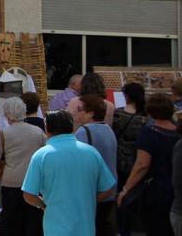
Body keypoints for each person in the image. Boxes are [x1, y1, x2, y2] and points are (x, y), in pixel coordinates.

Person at [22, 110, 115, 236]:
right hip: (86, 228)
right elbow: (108, 188)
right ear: (71, 127)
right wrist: (88, 200)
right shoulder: (91, 152)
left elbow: (28, 195)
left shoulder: (41, 155)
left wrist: (43, 205)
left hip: (55, 228)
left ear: (47, 129)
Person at [117, 93, 180, 236]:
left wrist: (126, 188)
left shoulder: (149, 132)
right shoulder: (177, 132)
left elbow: (142, 164)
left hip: (155, 190)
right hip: (174, 188)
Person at [0, 97, 46, 236]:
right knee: (32, 220)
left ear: (8, 114)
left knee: (10, 221)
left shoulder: (3, 134)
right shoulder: (38, 132)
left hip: (11, 182)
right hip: (34, 182)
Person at [75, 95, 117, 236]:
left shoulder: (84, 132)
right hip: (109, 188)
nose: (77, 113)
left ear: (91, 113)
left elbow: (78, 161)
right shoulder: (108, 129)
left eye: (81, 110)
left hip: (92, 190)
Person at [112, 82, 148, 236]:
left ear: (126, 96)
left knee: (120, 196)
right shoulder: (145, 118)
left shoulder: (118, 115)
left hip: (119, 161)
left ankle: (122, 229)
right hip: (137, 162)